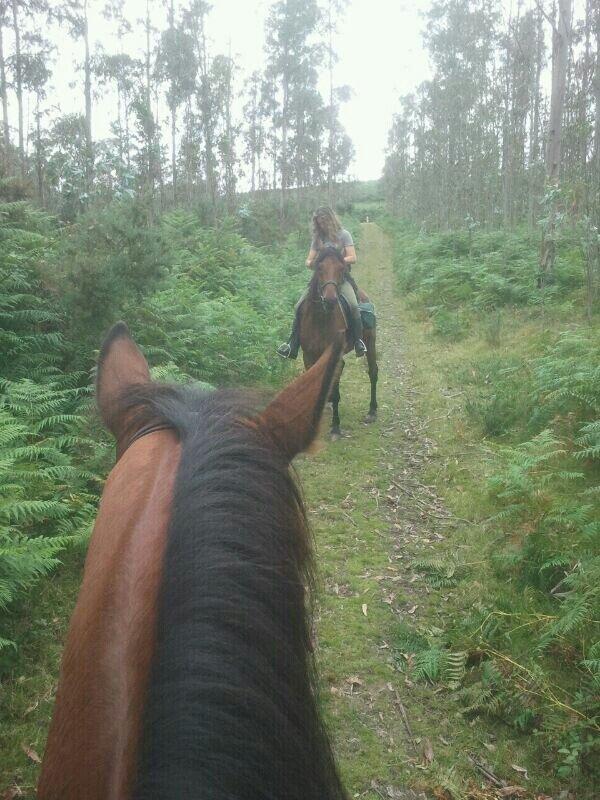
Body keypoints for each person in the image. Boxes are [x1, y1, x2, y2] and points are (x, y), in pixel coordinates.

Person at [277, 207, 367, 359]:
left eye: (324, 222)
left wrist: (334, 261)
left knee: (353, 305)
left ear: (331, 220)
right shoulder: (317, 239)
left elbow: (353, 257)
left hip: (341, 278)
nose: (322, 225)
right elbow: (309, 259)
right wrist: (312, 263)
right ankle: (292, 343)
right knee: (299, 305)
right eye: (319, 223)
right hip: (320, 280)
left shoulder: (344, 235)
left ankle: (358, 341)